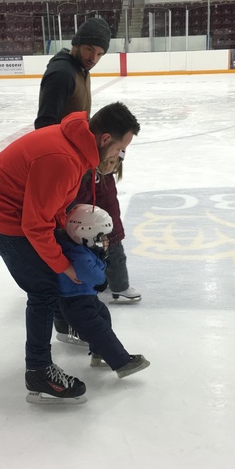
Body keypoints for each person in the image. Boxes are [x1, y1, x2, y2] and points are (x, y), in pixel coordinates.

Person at [0, 102, 141, 405]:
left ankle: (71, 323)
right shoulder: (63, 159)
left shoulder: (77, 150)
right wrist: (64, 265)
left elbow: (55, 207)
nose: (120, 155)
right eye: (120, 147)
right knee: (43, 287)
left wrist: (65, 232)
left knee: (50, 273)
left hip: (18, 210)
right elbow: (35, 224)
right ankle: (39, 371)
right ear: (104, 139)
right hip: (2, 216)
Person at [35, 17, 142, 347]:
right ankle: (68, 315)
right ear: (76, 43)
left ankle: (94, 286)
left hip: (84, 158)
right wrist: (70, 166)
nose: (93, 57)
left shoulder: (79, 69)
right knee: (73, 230)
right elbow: (46, 126)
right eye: (89, 50)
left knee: (96, 222)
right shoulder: (62, 72)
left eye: (99, 53)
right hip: (70, 164)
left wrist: (106, 155)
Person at [56, 204, 150, 380]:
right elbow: (90, 274)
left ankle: (100, 355)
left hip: (84, 299)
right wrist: (102, 279)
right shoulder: (81, 255)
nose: (105, 240)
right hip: (77, 303)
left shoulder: (80, 248)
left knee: (103, 317)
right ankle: (122, 363)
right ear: (85, 233)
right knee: (99, 331)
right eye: (101, 236)